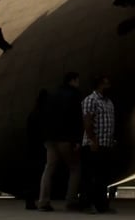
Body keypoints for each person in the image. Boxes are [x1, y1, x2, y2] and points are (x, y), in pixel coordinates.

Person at [38, 72, 84, 211]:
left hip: (51, 139)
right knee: (75, 168)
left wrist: (45, 137)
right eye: (78, 80)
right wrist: (77, 140)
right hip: (66, 139)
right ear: (73, 81)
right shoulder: (75, 96)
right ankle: (71, 201)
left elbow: (44, 116)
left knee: (49, 169)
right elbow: (76, 119)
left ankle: (43, 201)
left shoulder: (52, 96)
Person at [82, 76, 116, 214]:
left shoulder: (109, 102)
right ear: (100, 85)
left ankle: (101, 204)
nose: (109, 86)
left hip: (106, 144)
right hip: (93, 144)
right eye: (106, 83)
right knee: (90, 176)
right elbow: (87, 121)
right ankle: (87, 204)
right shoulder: (90, 100)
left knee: (103, 176)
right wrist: (93, 140)